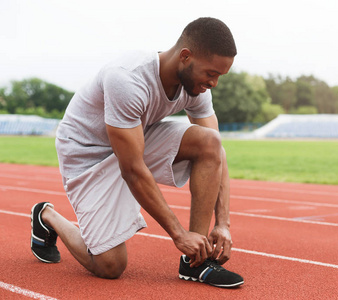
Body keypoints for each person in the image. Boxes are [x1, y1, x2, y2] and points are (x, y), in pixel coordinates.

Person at [30, 17, 244, 288]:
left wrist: (223, 224)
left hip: (135, 139)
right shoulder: (127, 78)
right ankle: (47, 215)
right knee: (110, 266)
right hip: (87, 153)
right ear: (185, 56)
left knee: (209, 141)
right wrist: (177, 233)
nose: (214, 83)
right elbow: (131, 169)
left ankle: (196, 262)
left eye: (219, 76)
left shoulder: (197, 86)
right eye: (211, 74)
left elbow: (217, 152)